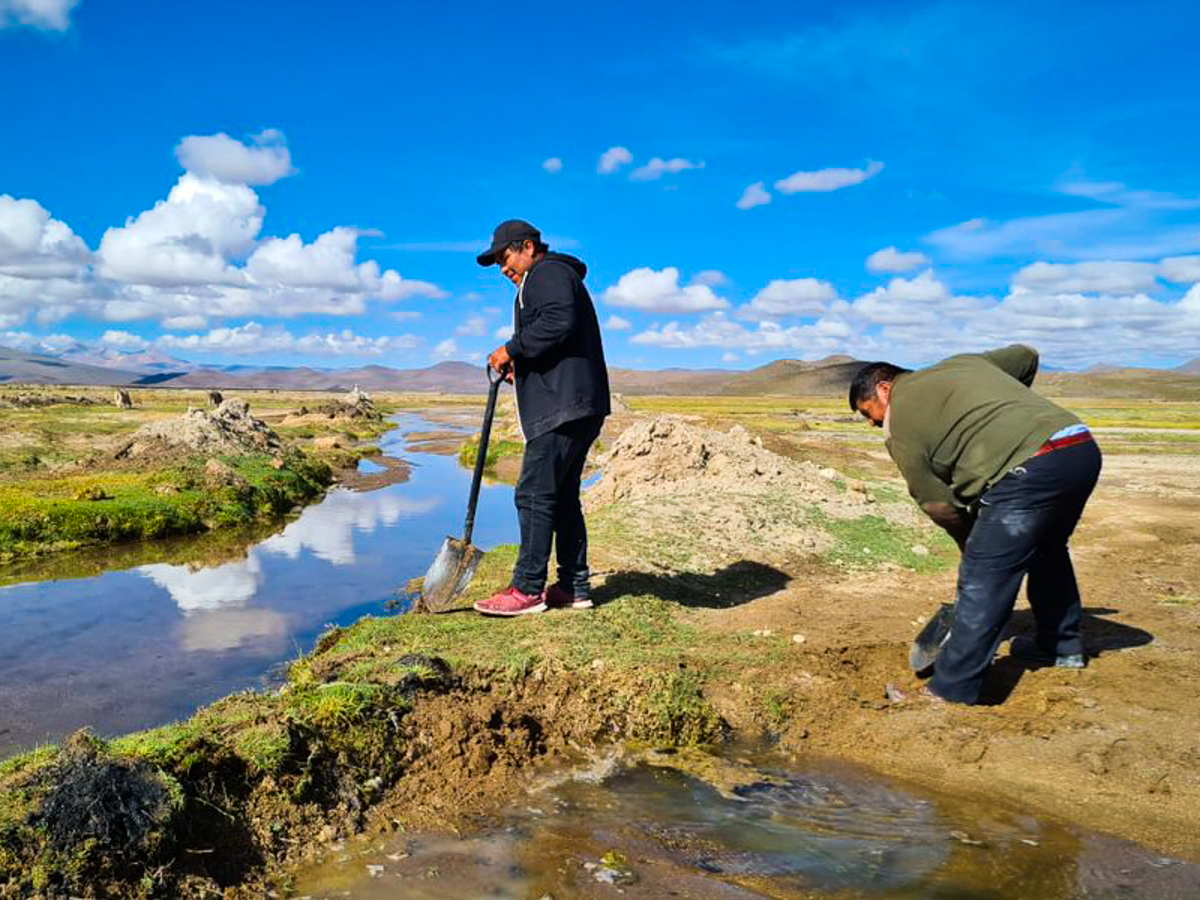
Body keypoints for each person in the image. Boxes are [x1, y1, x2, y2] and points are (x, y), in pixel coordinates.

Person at [848, 344, 1102, 704]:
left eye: (867, 412)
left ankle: (951, 689)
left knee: (986, 574)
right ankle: (1062, 646)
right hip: (1079, 449)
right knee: (1046, 549)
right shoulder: (962, 364)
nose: (872, 422)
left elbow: (938, 504)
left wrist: (973, 545)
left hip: (1029, 468)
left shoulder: (899, 426)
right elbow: (1026, 355)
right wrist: (1001, 413)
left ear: (884, 388)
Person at [472, 219, 610, 616]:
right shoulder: (552, 276)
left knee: (532, 493)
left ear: (528, 247)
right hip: (577, 404)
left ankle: (527, 590)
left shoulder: (547, 273)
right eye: (498, 261)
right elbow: (557, 332)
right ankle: (573, 586)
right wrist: (525, 362)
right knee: (562, 497)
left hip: (562, 408)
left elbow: (558, 321)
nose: (502, 267)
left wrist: (511, 348)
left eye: (505, 256)